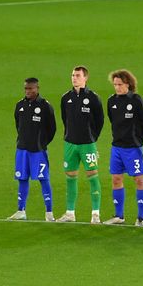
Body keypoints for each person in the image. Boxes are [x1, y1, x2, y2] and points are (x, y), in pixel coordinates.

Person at [58, 66, 105, 223]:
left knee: (92, 176)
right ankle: (70, 213)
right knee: (70, 177)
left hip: (87, 145)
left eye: (77, 75)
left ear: (85, 78)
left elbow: (100, 120)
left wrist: (93, 138)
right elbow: (65, 119)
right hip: (70, 144)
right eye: (72, 75)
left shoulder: (93, 98)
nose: (74, 78)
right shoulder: (66, 98)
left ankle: (95, 214)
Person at [105, 69, 143, 226]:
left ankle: (141, 217)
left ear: (128, 84)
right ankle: (119, 215)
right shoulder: (111, 101)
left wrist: (137, 137)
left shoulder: (137, 101)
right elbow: (113, 120)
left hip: (133, 148)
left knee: (139, 179)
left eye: (120, 84)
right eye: (115, 84)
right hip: (117, 147)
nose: (117, 87)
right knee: (116, 179)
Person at [9, 77, 57, 221]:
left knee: (44, 179)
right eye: (26, 88)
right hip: (22, 149)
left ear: (37, 88)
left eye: (30, 88)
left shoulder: (45, 106)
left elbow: (52, 129)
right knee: (22, 179)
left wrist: (41, 143)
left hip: (38, 151)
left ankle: (49, 213)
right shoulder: (20, 105)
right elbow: (18, 125)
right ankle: (21, 210)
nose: (28, 91)